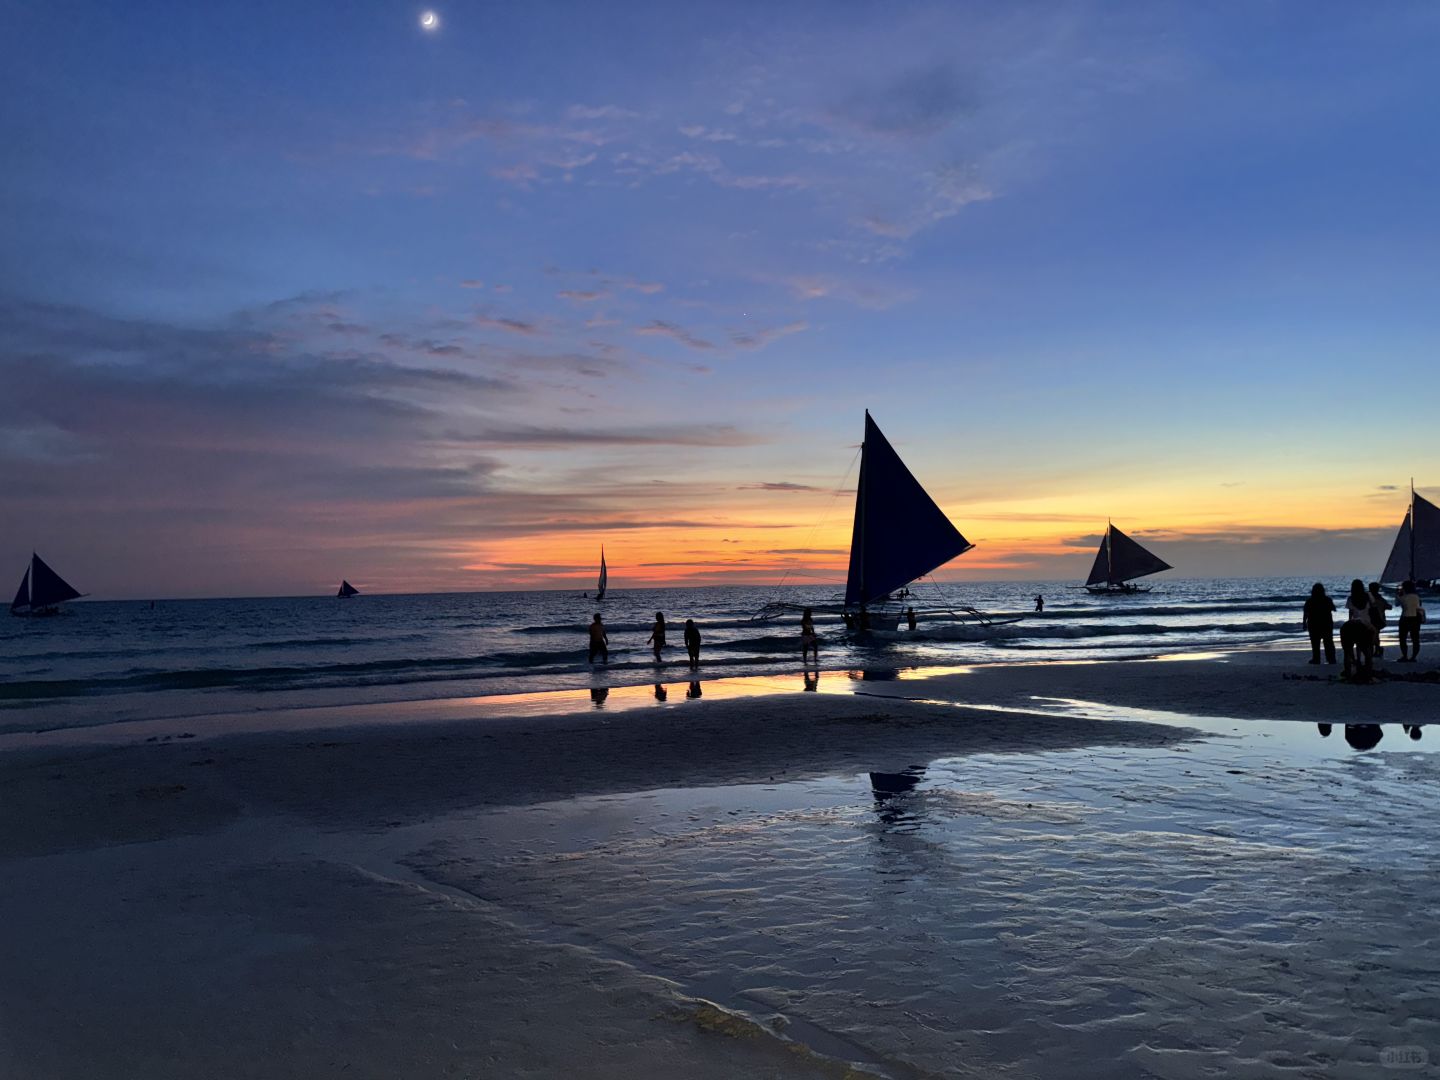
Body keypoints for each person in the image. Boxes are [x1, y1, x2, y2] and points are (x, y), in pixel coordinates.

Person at [1341, 579, 1374, 678]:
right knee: (1367, 650)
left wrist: (1349, 621)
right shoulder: (1368, 596)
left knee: (1347, 652)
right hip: (1365, 624)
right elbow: (1373, 608)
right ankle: (1368, 671)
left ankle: (1348, 672)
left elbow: (1350, 613)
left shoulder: (1350, 598)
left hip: (1352, 624)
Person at [1302, 582, 1336, 665]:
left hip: (1313, 624)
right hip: (1326, 623)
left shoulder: (1309, 601)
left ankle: (1316, 659)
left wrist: (1304, 623)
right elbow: (1334, 609)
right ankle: (1331, 659)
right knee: (1328, 642)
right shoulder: (1327, 599)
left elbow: (1305, 613)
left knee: (1315, 643)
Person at [1397, 580, 1424, 662]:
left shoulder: (1404, 597)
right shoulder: (1416, 596)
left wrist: (1398, 595)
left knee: (1403, 638)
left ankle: (1405, 656)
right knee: (1415, 639)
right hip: (1415, 618)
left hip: (1405, 618)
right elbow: (1419, 605)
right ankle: (1413, 657)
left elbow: (1397, 604)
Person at [1367, 582, 1392, 659]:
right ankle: (1377, 649)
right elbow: (1389, 607)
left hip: (1372, 620)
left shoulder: (1368, 599)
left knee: (1372, 636)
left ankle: (1376, 650)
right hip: (1379, 620)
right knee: (1375, 635)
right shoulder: (1381, 599)